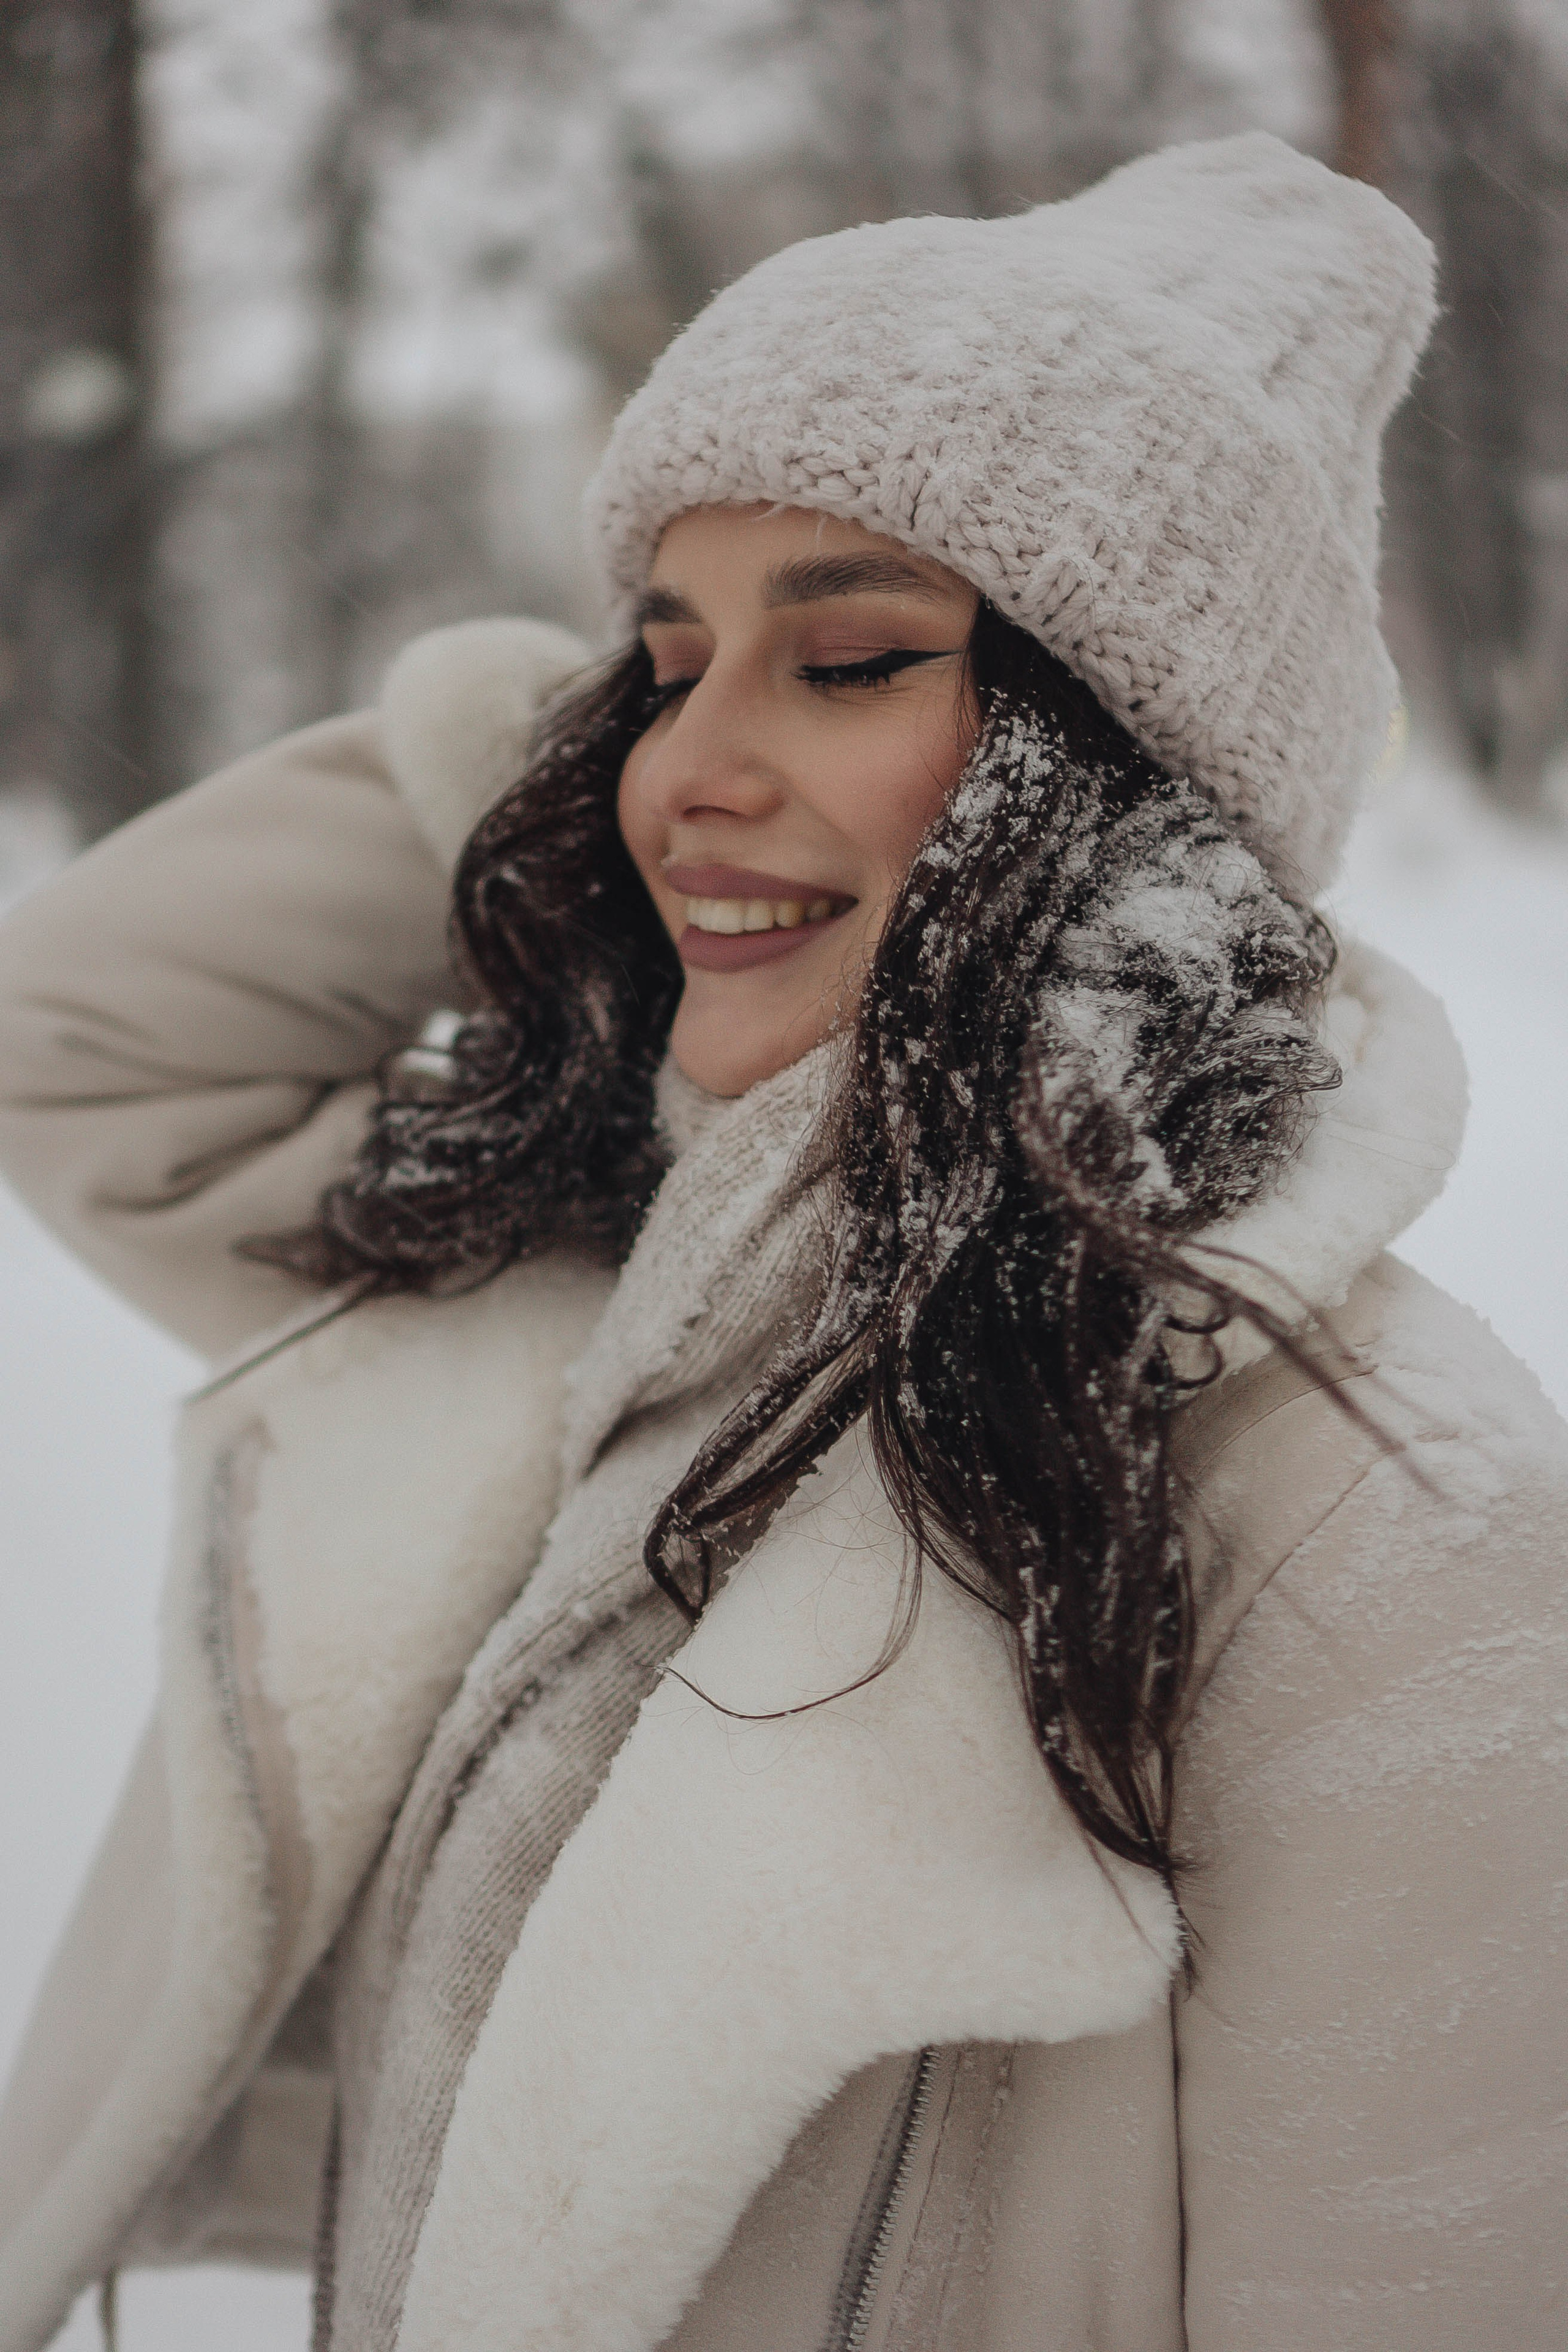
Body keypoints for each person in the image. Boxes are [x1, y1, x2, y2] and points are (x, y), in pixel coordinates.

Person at [0, 132, 1562, 2352]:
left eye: (849, 661)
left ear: (1119, 765)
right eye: (661, 664)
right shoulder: (587, 1274)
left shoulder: (1374, 1507)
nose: (678, 769)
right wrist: (598, 792)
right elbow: (82, 1044)